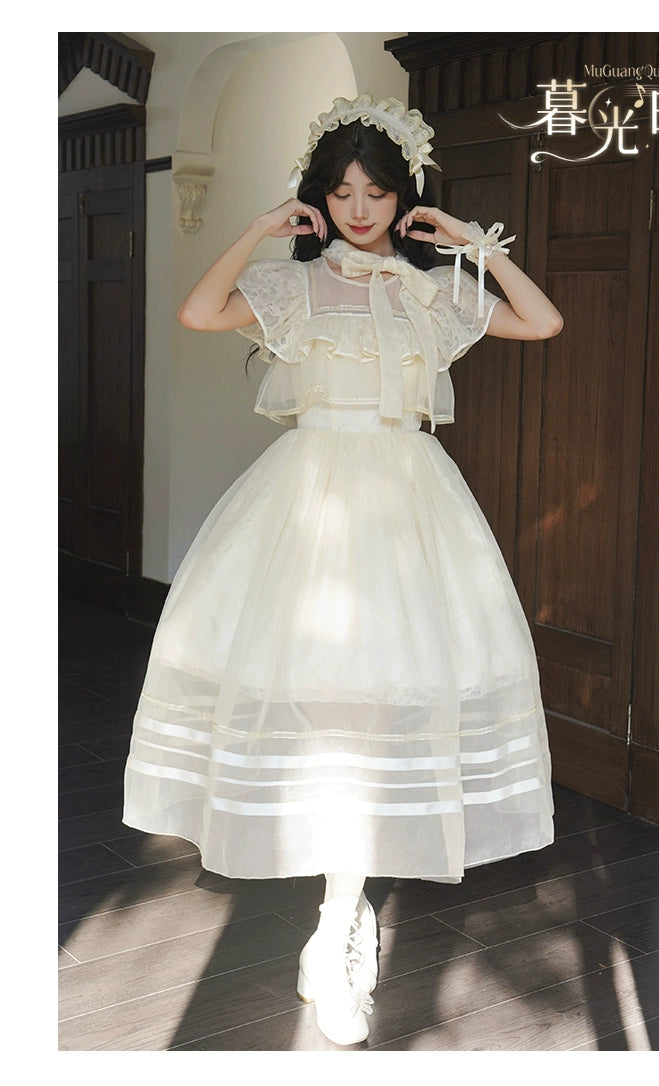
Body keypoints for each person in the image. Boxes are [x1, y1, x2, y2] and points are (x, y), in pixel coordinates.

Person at [123, 93, 563, 1047]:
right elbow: (199, 311)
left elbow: (543, 320)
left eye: (378, 192)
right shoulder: (292, 287)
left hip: (412, 509)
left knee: (378, 709)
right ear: (319, 198)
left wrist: (471, 246)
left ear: (404, 197)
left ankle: (337, 923)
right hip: (307, 505)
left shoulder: (433, 291)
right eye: (342, 192)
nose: (360, 209)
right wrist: (257, 229)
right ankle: (339, 920)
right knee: (328, 709)